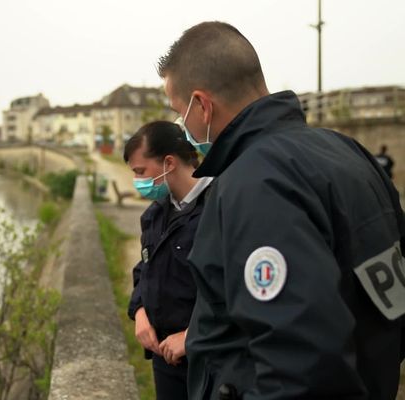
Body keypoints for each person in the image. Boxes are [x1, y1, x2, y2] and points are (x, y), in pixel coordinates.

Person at [157, 21, 405, 400]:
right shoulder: (347, 151)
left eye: (180, 111)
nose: (181, 126)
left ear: (202, 105)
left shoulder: (255, 183)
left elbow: (300, 368)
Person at [124, 121, 213, 400]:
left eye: (141, 172)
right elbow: (144, 270)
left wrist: (191, 337)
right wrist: (139, 314)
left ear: (169, 163)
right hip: (164, 357)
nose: (138, 181)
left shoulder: (219, 209)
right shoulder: (154, 215)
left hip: (208, 361)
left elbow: (233, 291)